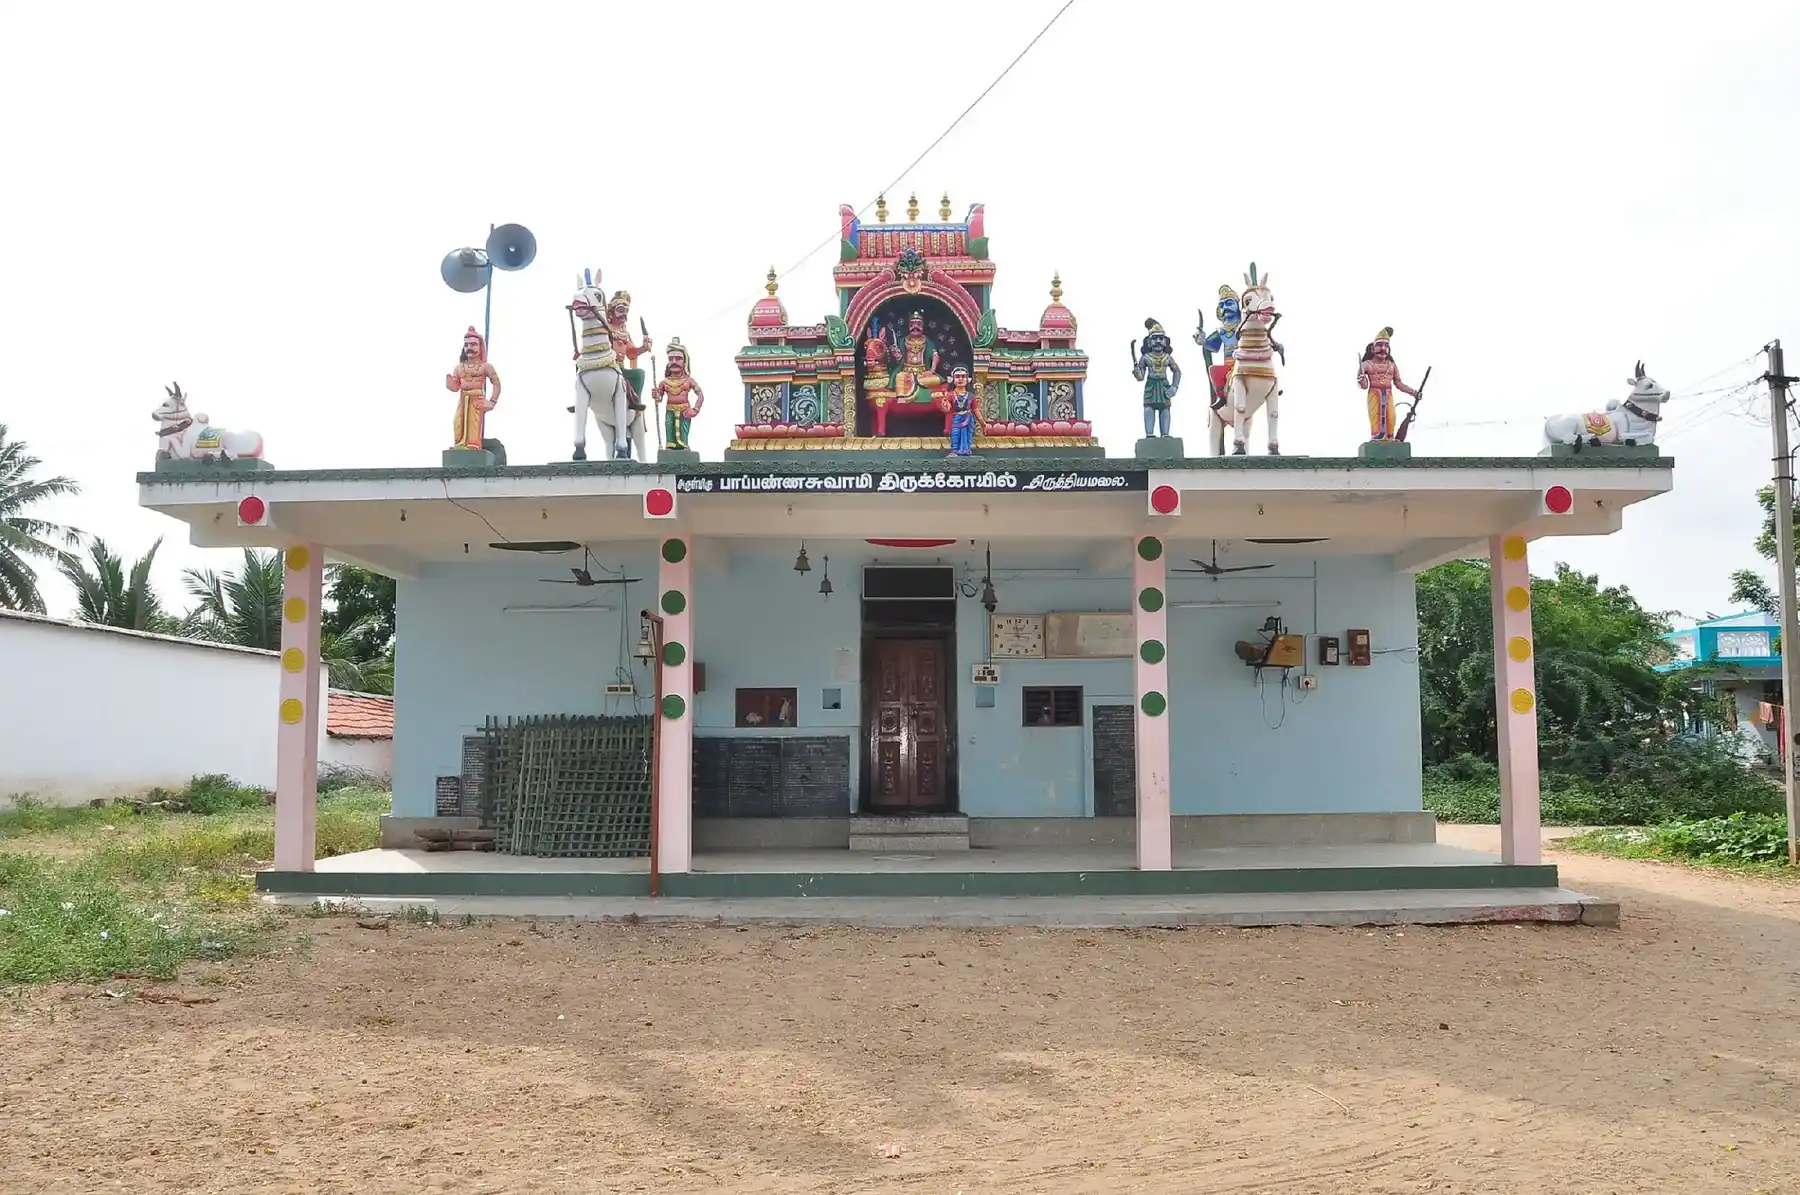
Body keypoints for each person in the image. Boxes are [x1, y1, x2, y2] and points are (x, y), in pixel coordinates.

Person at [1357, 327, 1419, 441]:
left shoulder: (1392, 365)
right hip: (1375, 395)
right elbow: (1364, 386)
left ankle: (1390, 439)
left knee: (1391, 417)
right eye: (1379, 345)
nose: (1383, 349)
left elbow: (1398, 383)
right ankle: (1377, 439)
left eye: (1386, 346)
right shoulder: (1366, 365)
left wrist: (1414, 393)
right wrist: (1362, 381)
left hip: (1388, 394)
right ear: (1373, 349)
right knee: (1376, 418)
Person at [444, 327, 500, 450]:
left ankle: (473, 446)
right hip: (463, 400)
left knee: (473, 425)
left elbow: (496, 383)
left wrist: (492, 402)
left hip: (477, 400)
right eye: (467, 345)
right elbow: (456, 387)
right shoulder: (459, 368)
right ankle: (460, 444)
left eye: (473, 344)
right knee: (458, 422)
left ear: (480, 347)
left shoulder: (485, 367)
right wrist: (450, 383)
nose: (469, 347)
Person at [652, 337, 705, 450]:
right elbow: (659, 399)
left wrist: (695, 410)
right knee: (670, 440)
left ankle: (684, 447)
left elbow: (700, 395)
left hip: (685, 411)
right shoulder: (664, 383)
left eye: (678, 358)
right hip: (670, 411)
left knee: (683, 439)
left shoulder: (688, 381)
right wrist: (656, 395)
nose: (674, 362)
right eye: (671, 359)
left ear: (685, 361)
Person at [1133, 319, 1181, 437]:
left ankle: (1165, 433)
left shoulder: (1167, 358)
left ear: (1165, 342)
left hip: (1164, 385)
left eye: (1161, 338)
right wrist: (1137, 373)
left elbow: (1177, 371)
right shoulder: (1145, 358)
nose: (1158, 341)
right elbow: (1141, 377)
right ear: (1149, 342)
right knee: (1149, 408)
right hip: (1151, 385)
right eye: (1154, 338)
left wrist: (1174, 386)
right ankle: (1149, 433)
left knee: (1165, 409)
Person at [943, 366, 979, 457]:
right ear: (952, 379)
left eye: (963, 376)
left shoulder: (971, 396)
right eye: (957, 376)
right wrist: (945, 405)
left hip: (968, 419)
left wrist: (983, 423)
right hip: (956, 418)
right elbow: (947, 409)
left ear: (968, 379)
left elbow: (976, 410)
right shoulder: (950, 395)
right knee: (955, 433)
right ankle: (954, 451)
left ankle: (966, 450)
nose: (960, 379)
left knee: (967, 436)